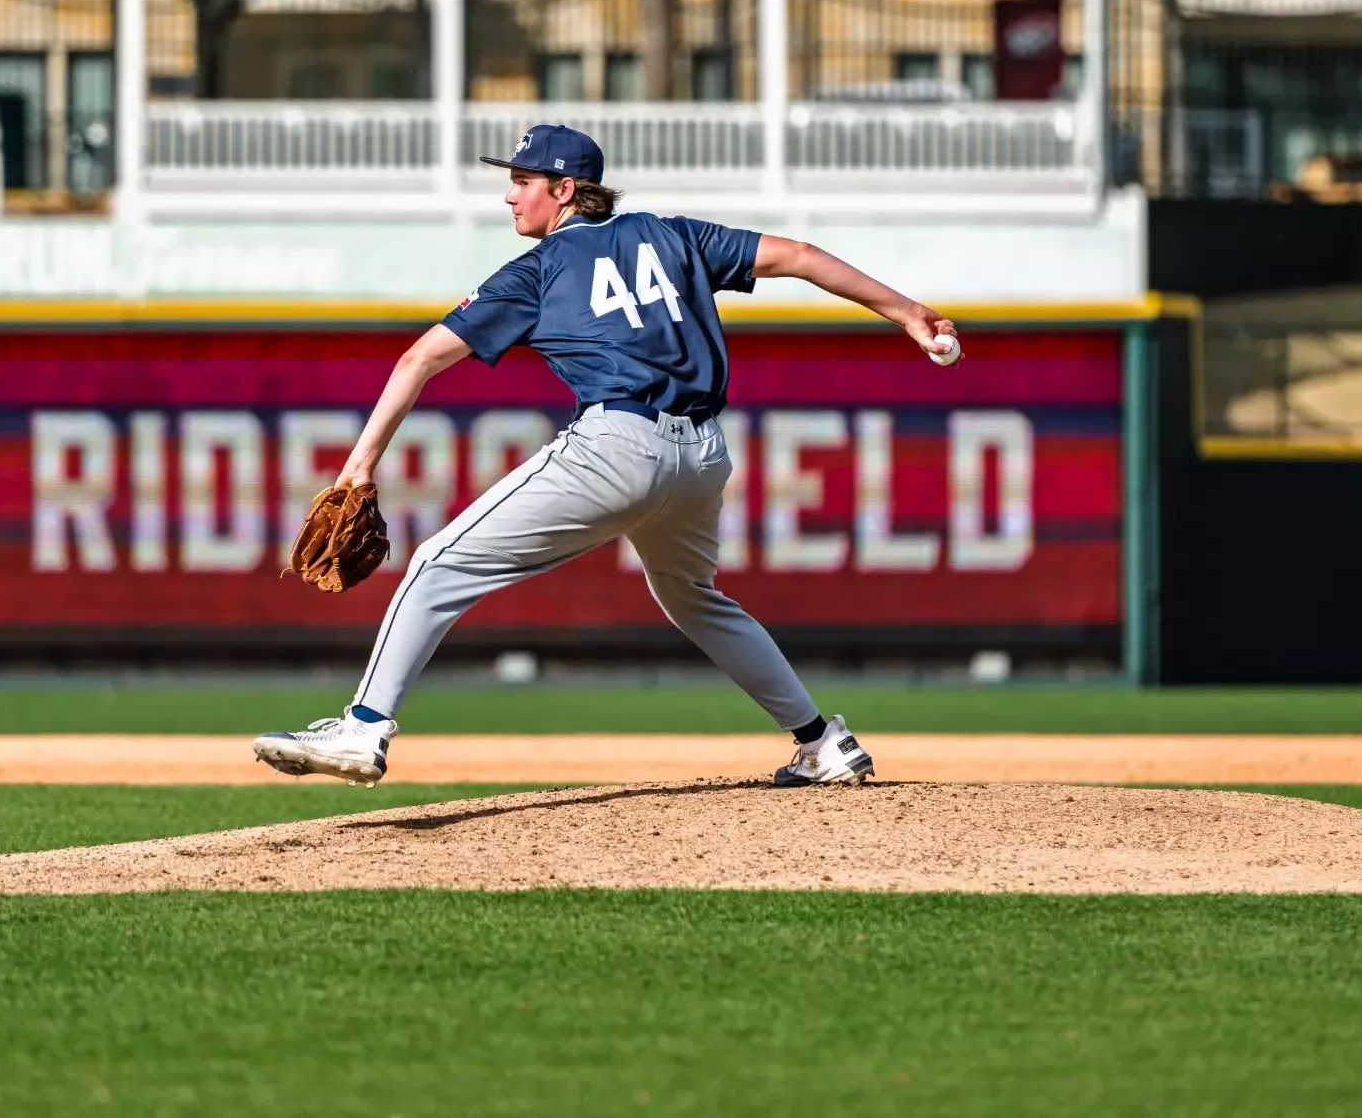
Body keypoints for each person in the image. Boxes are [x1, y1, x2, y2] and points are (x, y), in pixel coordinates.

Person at [253, 124, 958, 788]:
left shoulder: (536, 271)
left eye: (523, 180)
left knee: (440, 562)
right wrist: (906, 311)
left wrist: (360, 464)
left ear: (565, 190)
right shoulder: (673, 235)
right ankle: (821, 741)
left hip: (616, 447)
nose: (509, 195)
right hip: (702, 457)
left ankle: (363, 728)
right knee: (692, 596)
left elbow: (419, 358)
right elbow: (798, 256)